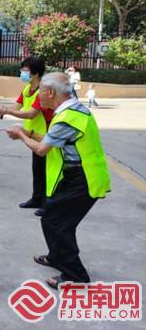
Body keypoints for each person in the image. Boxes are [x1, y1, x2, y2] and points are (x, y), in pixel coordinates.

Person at [6, 73, 110, 289]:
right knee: (55, 218)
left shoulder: (67, 117)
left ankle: (76, 275)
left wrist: (21, 135)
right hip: (75, 176)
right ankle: (56, 257)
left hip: (84, 178)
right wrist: (27, 132)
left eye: (40, 92)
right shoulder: (71, 111)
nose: (38, 97)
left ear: (51, 92)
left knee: (57, 223)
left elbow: (42, 150)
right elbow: (53, 140)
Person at [0, 57, 53, 217]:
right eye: (22, 70)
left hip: (46, 136)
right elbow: (16, 107)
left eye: (25, 70)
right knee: (37, 169)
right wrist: (1, 109)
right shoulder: (27, 89)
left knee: (47, 171)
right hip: (33, 136)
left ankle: (48, 204)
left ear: (36, 73)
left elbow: (31, 113)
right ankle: (36, 199)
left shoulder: (42, 91)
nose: (22, 73)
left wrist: (8, 111)